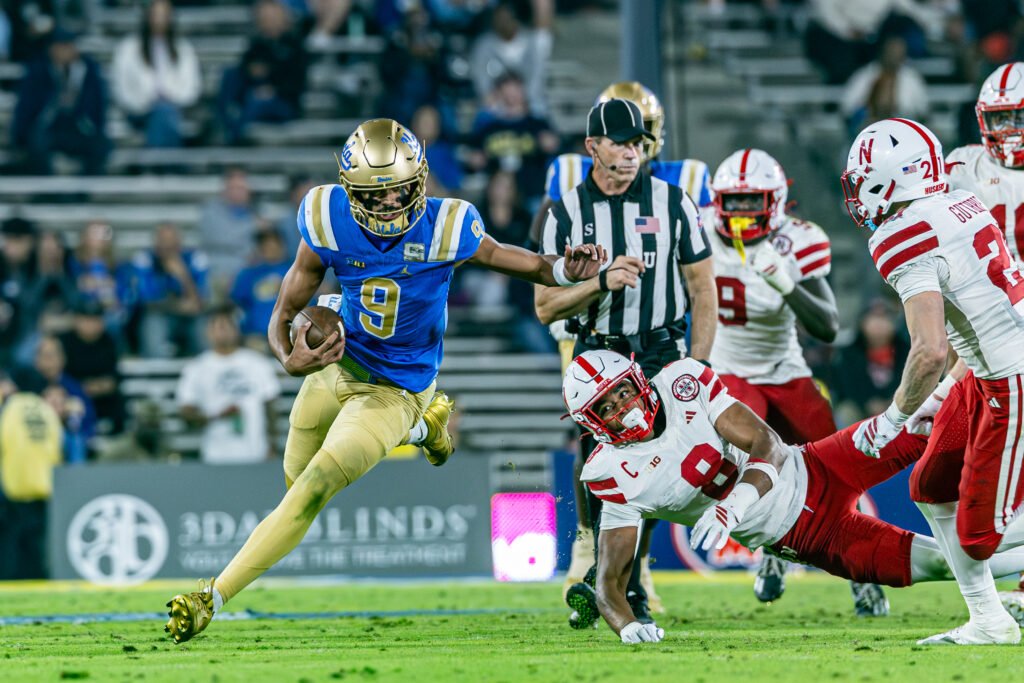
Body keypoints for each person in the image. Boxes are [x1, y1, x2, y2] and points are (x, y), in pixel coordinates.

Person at [163, 117, 604, 643]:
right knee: (292, 482)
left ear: (419, 181)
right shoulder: (327, 216)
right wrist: (285, 355)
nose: (392, 203)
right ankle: (426, 430)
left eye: (400, 190)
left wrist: (566, 270)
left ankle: (210, 597)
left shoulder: (447, 226)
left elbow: (522, 262)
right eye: (378, 194)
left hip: (394, 389)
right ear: (351, 192)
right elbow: (287, 303)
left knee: (311, 490)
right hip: (338, 365)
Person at [560, 349, 1024, 644]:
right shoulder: (608, 473)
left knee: (928, 418)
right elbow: (609, 583)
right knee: (950, 561)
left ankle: (993, 354)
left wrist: (732, 507)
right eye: (606, 407)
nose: (622, 408)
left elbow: (770, 446)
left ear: (637, 380)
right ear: (592, 422)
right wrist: (627, 626)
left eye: (620, 393)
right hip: (812, 535)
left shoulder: (682, 381)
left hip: (819, 464)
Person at [842, 117, 1024, 644]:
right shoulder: (959, 202)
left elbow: (928, 350)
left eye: (863, 179)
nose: (857, 192)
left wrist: (893, 417)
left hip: (1011, 377)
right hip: (987, 370)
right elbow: (974, 321)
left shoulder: (902, 234)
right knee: (930, 485)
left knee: (978, 536)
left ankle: (993, 622)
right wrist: (944, 392)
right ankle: (989, 619)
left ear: (892, 178)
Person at [535, 97, 717, 623]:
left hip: (660, 345)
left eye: (637, 142)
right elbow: (545, 304)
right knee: (600, 461)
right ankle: (608, 573)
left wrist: (697, 367)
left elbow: (703, 289)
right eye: (618, 142)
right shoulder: (566, 212)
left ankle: (620, 581)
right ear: (592, 147)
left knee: (659, 462)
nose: (630, 152)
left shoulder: (674, 200)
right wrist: (600, 281)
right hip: (599, 349)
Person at [705, 148, 876, 610]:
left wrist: (787, 286)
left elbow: (827, 326)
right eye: (732, 202)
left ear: (776, 201)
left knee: (836, 468)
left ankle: (861, 567)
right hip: (728, 370)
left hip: (785, 368)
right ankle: (777, 550)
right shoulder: (698, 228)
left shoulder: (800, 240)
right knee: (752, 461)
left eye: (751, 202)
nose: (740, 214)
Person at [946, 62, 1024, 615]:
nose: (1012, 128)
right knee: (944, 469)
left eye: (1020, 115)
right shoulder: (960, 168)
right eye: (1002, 117)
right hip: (982, 333)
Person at [176, 307, 281, 465]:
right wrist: (216, 416)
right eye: (217, 326)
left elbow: (270, 407)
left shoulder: (257, 363)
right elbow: (186, 413)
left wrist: (273, 446)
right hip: (215, 455)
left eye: (226, 325)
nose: (222, 331)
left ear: (236, 330)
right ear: (208, 332)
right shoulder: (196, 368)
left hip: (256, 453)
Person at [10, 26, 108, 175]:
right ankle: (46, 193)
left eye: (68, 46)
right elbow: (26, 107)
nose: (65, 51)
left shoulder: (89, 70)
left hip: (78, 126)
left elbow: (97, 106)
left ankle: (81, 194)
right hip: (48, 127)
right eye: (61, 46)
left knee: (101, 145)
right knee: (35, 144)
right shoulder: (38, 71)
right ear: (51, 49)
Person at [111, 0, 201, 148]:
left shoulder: (183, 49)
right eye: (156, 15)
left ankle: (155, 166)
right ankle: (171, 165)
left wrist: (171, 99)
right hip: (138, 110)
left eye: (164, 15)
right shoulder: (128, 48)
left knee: (164, 113)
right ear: (147, 17)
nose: (159, 20)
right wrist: (144, 103)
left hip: (174, 108)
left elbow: (192, 87)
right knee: (163, 114)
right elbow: (121, 87)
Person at [0, 370, 63, 579]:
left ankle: (9, 581)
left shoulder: (9, 409)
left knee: (11, 543)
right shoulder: (46, 410)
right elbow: (57, 447)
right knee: (37, 545)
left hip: (14, 488)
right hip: (44, 486)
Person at [218, 0, 307, 145]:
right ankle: (223, 121)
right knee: (230, 75)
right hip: (254, 93)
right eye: (264, 19)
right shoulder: (258, 44)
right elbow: (245, 70)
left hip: (283, 102)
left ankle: (233, 140)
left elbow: (297, 84)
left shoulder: (295, 46)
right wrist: (251, 72)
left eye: (271, 18)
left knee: (255, 101)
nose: (268, 23)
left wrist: (273, 89)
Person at [128, 223, 207, 358]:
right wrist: (179, 306)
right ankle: (156, 372)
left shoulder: (194, 259)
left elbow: (201, 300)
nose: (168, 246)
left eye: (172, 241)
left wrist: (183, 276)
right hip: (158, 316)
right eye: (163, 241)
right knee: (153, 324)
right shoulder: (145, 259)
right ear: (156, 243)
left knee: (203, 326)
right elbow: (147, 301)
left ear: (179, 242)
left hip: (189, 318)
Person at [59, 299, 124, 435]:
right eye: (86, 319)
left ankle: (114, 437)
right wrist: (79, 388)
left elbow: (114, 375)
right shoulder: (65, 342)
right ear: (76, 320)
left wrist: (100, 386)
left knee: (118, 403)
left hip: (101, 395)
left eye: (95, 320)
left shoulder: (108, 342)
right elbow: (59, 373)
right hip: (72, 393)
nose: (91, 324)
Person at [198, 167, 261, 296]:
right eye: (234, 188)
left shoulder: (255, 212)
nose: (239, 192)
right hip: (219, 270)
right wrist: (252, 228)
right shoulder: (211, 211)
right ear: (225, 190)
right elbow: (220, 239)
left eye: (242, 188)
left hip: (248, 271)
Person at [230, 229, 292, 348]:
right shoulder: (249, 274)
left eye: (273, 243)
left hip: (291, 333)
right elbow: (235, 303)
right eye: (265, 245)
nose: (270, 248)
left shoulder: (297, 270)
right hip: (256, 336)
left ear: (282, 245)